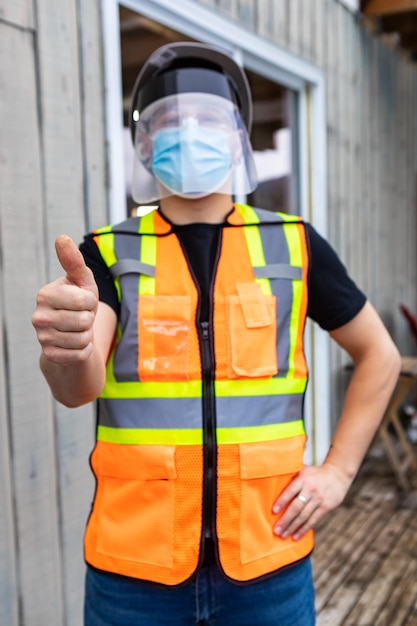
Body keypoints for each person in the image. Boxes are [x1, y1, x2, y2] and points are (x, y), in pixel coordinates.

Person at [32, 42, 401, 626]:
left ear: (237, 138)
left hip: (267, 564)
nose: (190, 131)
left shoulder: (296, 244)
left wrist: (338, 472)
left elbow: (379, 354)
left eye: (209, 119)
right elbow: (78, 386)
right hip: (134, 572)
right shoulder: (105, 252)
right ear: (145, 144)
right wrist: (66, 347)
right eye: (169, 121)